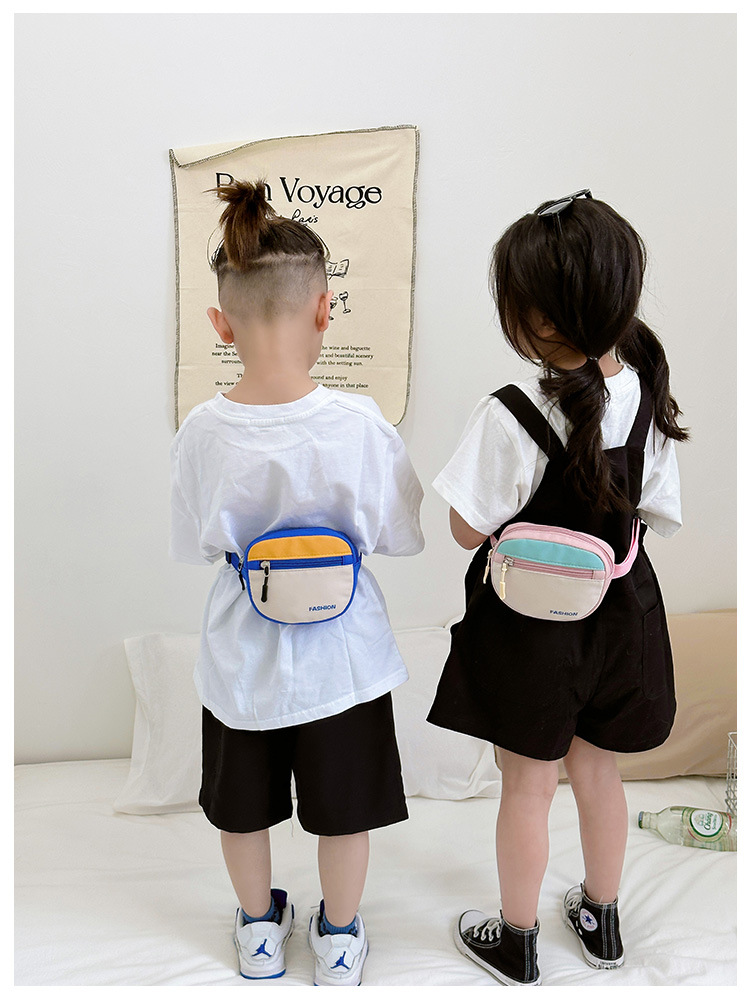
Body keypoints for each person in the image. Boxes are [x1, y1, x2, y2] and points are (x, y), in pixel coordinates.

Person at [427, 190, 686, 985]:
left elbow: (465, 530)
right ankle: (602, 921)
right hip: (621, 617)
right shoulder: (646, 396)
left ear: (536, 321)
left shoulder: (512, 413)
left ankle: (517, 941)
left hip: (532, 631)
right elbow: (658, 513)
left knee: (529, 785)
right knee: (599, 774)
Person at [169, 180, 424, 986]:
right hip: (342, 659)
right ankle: (340, 939)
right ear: (324, 311)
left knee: (242, 808)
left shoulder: (201, 431)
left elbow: (195, 543)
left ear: (220, 324)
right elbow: (399, 534)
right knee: (345, 810)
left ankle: (257, 931)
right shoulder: (362, 424)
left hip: (241, 658)